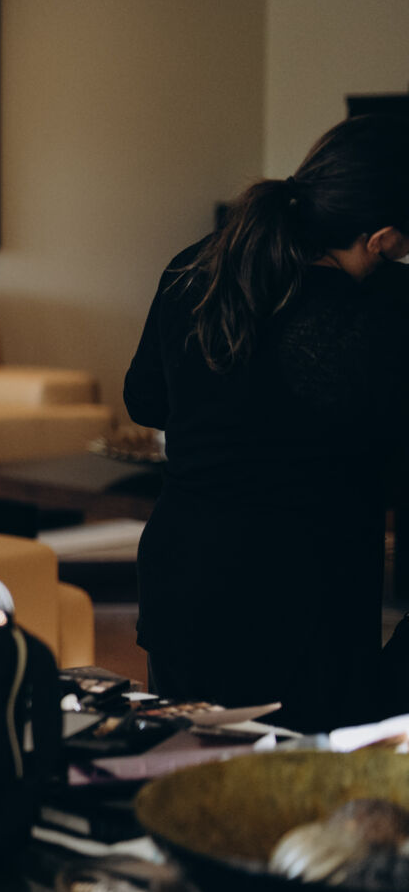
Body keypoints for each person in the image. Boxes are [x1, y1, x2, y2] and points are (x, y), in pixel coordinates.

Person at [125, 114, 409, 732]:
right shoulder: (386, 307)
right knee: (299, 781)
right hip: (310, 601)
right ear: (382, 239)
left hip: (185, 583)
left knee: (194, 772)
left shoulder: (196, 265)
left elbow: (145, 400)